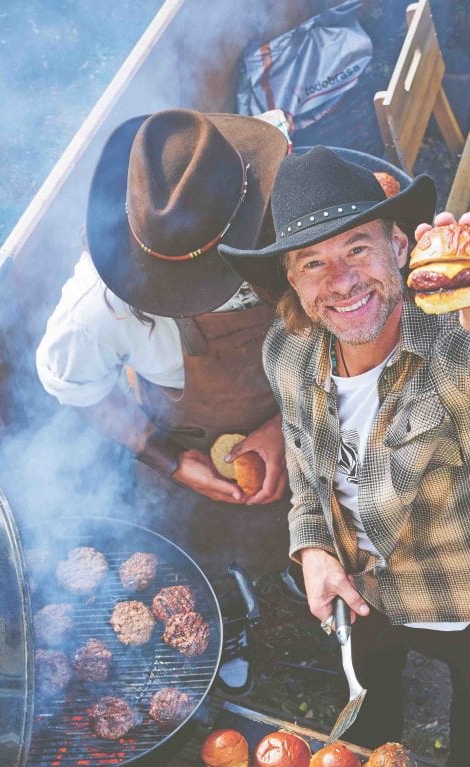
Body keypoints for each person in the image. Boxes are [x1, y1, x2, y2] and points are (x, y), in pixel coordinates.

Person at [220, 147, 470, 767]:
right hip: (365, 594)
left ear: (400, 248)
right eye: (313, 262)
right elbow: (308, 476)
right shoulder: (288, 353)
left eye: (358, 248)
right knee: (370, 718)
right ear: (292, 281)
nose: (342, 281)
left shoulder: (460, 339)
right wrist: (312, 548)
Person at [36, 109, 290, 574]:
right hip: (196, 453)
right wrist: (169, 460)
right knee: (216, 558)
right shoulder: (95, 310)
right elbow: (80, 390)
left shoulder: (284, 212)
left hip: (320, 414)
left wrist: (287, 425)